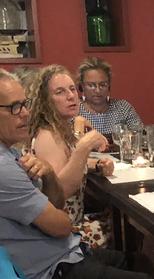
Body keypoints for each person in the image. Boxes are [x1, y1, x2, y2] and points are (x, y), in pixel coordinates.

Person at [0, 68, 154, 279]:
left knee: (141, 263)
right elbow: (62, 225)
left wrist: (48, 174)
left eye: (25, 104)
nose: (25, 113)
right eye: (14, 107)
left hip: (49, 259)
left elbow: (55, 203)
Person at [27, 64, 114, 248]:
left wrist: (96, 165)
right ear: (46, 101)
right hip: (62, 233)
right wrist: (84, 147)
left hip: (74, 220)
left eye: (72, 89)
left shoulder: (59, 128)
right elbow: (59, 193)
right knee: (122, 227)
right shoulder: (48, 136)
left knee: (116, 218)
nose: (70, 96)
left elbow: (66, 162)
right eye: (60, 92)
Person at [76, 57, 143, 136]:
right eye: (91, 85)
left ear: (109, 86)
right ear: (82, 86)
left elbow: (140, 136)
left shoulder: (123, 108)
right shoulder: (73, 111)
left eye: (103, 85)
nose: (97, 90)